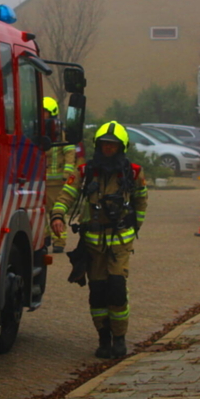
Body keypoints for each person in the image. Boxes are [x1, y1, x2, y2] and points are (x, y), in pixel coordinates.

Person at [50, 121, 148, 359]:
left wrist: (134, 227)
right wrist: (57, 214)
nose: (108, 149)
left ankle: (120, 338)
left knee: (116, 289)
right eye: (104, 145)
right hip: (93, 245)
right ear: (98, 145)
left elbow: (141, 203)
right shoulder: (86, 171)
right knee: (97, 292)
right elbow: (67, 195)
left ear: (121, 147)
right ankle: (104, 339)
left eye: (112, 146)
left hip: (120, 244)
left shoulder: (132, 172)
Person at [43, 97, 76, 253]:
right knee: (41, 213)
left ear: (52, 114)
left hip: (57, 183)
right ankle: (44, 238)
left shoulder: (60, 134)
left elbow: (69, 153)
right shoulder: (37, 133)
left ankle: (59, 241)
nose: (42, 116)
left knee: (56, 211)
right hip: (40, 182)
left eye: (44, 112)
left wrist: (67, 173)